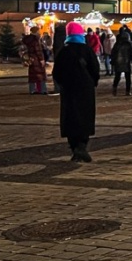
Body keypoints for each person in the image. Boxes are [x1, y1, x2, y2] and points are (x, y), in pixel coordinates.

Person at [52, 22, 100, 162]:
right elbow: (95, 69)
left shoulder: (64, 51)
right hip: (85, 89)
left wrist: (62, 85)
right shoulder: (87, 50)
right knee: (85, 116)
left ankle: (74, 147)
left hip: (69, 90)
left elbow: (57, 73)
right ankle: (82, 145)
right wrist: (92, 82)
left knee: (71, 117)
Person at [22, 28, 47, 94]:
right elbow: (38, 50)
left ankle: (32, 90)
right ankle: (42, 90)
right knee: (40, 74)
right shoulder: (35, 39)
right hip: (36, 59)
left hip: (31, 58)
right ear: (36, 31)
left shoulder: (27, 39)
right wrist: (41, 59)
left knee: (32, 75)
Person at [111, 29, 132, 96]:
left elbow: (113, 53)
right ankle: (127, 91)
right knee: (128, 78)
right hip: (127, 63)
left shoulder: (117, 44)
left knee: (117, 77)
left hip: (118, 63)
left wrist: (113, 60)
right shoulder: (129, 45)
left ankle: (114, 89)